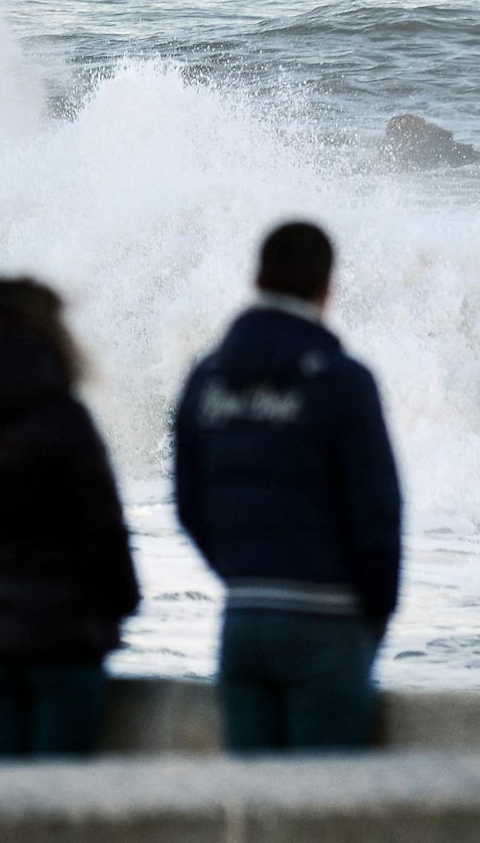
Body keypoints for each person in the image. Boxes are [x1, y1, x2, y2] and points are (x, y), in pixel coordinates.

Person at [172, 220, 403, 752]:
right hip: (327, 620)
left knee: (254, 815)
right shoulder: (342, 380)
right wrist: (372, 615)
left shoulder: (207, 377)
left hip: (243, 619)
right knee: (320, 818)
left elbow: (189, 501)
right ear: (327, 287)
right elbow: (378, 514)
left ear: (257, 277)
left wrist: (245, 573)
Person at [0, 277, 141, 758]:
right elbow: (104, 530)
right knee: (59, 807)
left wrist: (2, 578)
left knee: (10, 807)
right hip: (66, 638)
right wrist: (120, 604)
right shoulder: (64, 418)